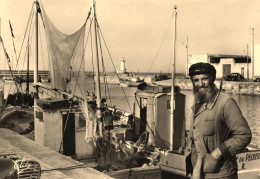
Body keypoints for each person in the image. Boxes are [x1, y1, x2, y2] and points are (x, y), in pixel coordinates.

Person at [185, 62, 252, 179]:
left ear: (213, 79)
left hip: (221, 174)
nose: (200, 84)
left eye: (204, 79)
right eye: (196, 80)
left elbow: (244, 135)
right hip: (198, 172)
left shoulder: (226, 103)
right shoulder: (197, 102)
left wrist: (218, 153)